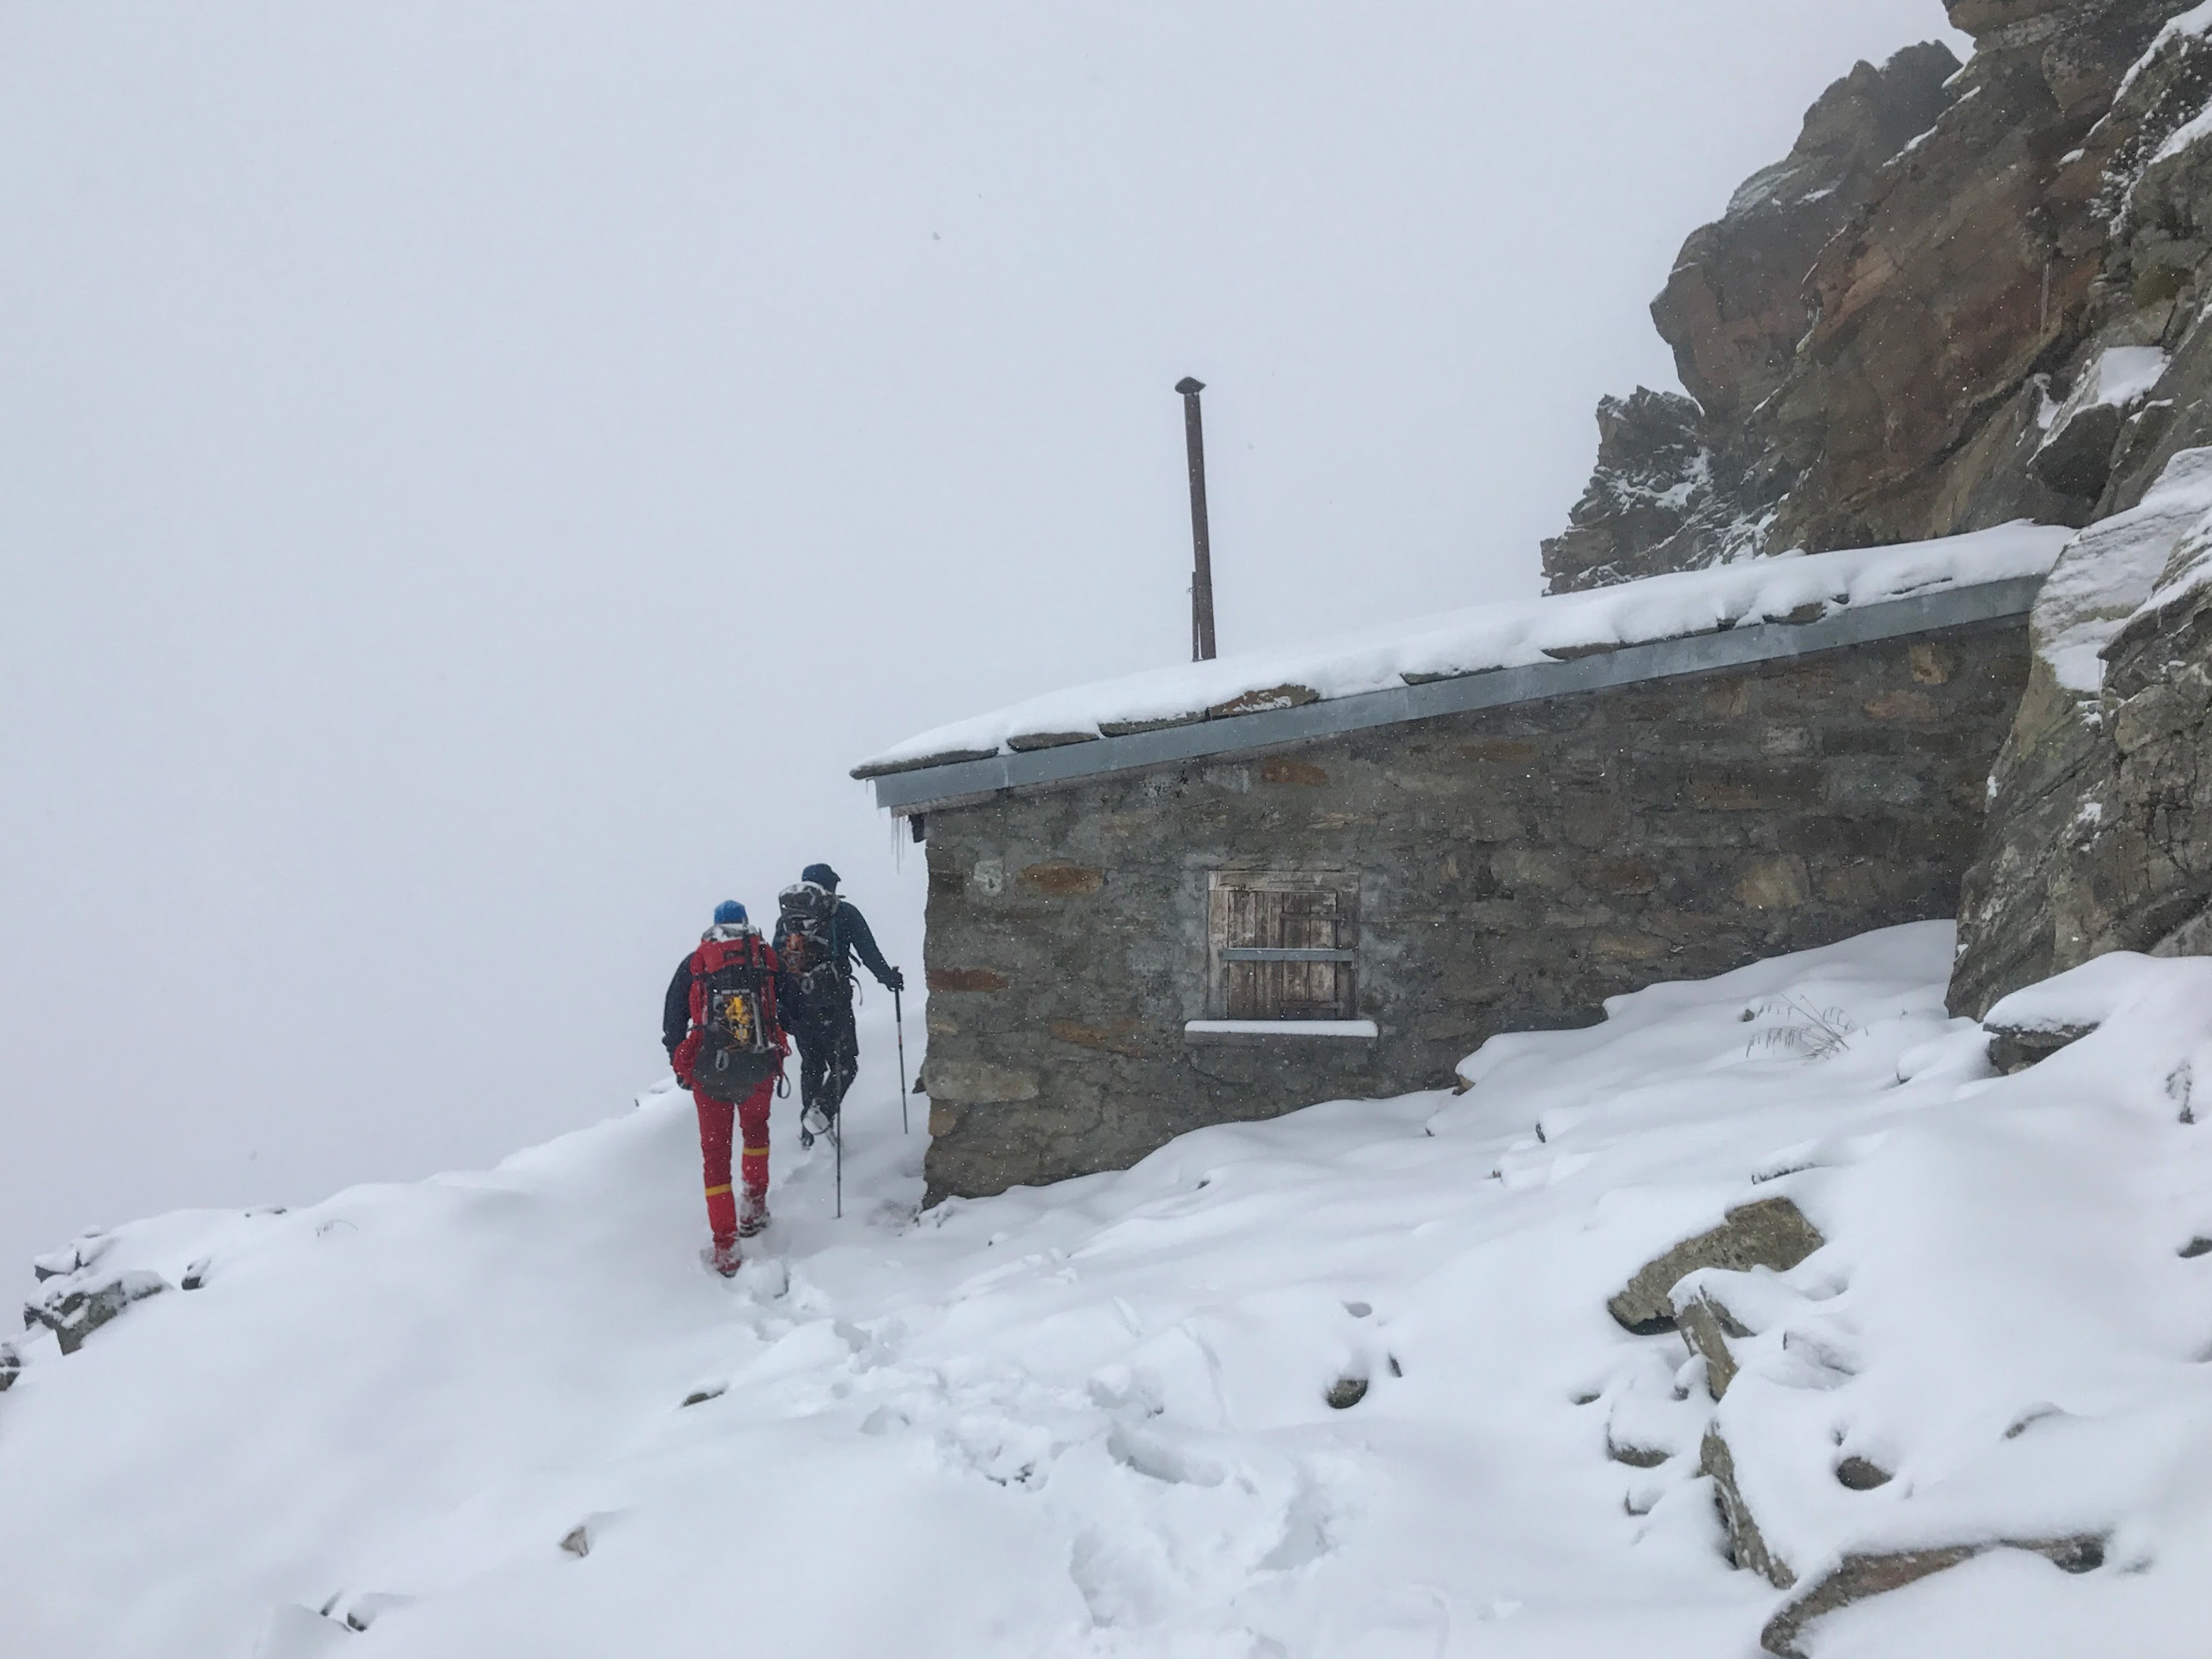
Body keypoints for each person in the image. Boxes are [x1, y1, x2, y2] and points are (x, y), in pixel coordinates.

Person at [664, 901, 790, 1275]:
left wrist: (680, 1063)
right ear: (746, 924)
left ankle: (726, 1247)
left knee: (716, 1159)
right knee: (755, 1134)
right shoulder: (764, 958)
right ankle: (753, 1207)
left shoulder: (696, 962)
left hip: (710, 1074)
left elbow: (673, 1019)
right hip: (759, 1067)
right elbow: (793, 1008)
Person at [772, 862, 903, 1148]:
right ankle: (822, 1112)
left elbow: (776, 966)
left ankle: (808, 1132)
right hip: (832, 1002)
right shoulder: (844, 913)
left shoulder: (786, 922)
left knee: (812, 1065)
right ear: (831, 886)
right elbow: (868, 952)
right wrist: (889, 978)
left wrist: (780, 1007)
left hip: (797, 1005)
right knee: (846, 1064)